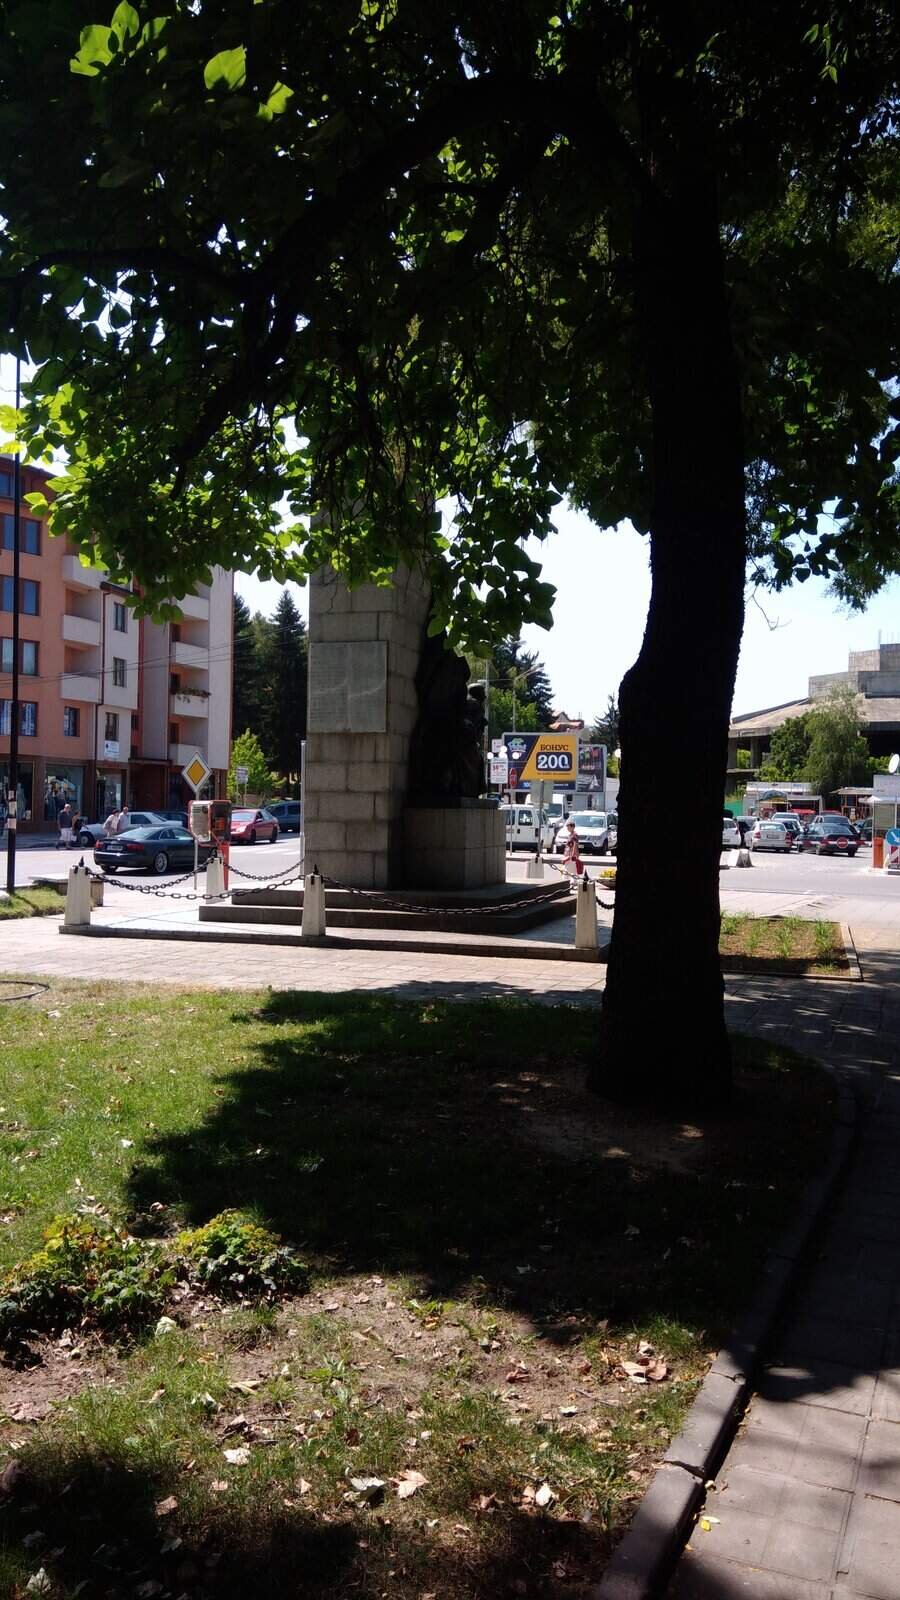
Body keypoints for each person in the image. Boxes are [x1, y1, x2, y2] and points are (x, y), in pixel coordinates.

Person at [561, 817, 583, 889]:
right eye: (567, 827)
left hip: (571, 855)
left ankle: (568, 882)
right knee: (571, 869)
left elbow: (575, 845)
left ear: (572, 827)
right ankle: (572, 882)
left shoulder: (574, 835)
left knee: (568, 868)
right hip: (568, 854)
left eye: (568, 827)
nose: (567, 828)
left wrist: (573, 854)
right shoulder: (570, 835)